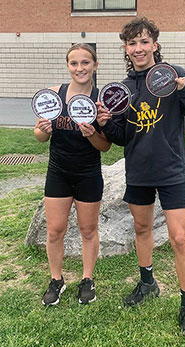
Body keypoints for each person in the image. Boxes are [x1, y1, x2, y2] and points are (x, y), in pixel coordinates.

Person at [97, 17, 185, 337]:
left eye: (144, 41)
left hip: (172, 171)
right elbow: (122, 137)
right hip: (140, 171)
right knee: (142, 228)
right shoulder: (123, 89)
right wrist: (105, 122)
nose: (138, 48)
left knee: (179, 237)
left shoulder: (174, 76)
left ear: (155, 45)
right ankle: (148, 283)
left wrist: (184, 90)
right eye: (132, 43)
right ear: (126, 49)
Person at [34, 43, 111, 306]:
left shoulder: (101, 100)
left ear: (95, 65)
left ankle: (87, 279)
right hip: (58, 172)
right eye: (74, 63)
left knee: (88, 230)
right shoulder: (54, 95)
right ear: (68, 66)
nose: (80, 68)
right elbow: (39, 137)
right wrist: (45, 129)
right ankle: (56, 279)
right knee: (55, 230)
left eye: (85, 63)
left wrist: (93, 135)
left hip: (88, 173)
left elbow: (106, 146)